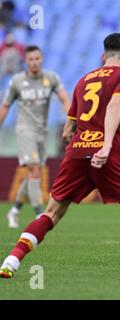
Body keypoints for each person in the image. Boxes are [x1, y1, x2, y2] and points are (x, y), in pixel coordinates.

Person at [0, 33, 120, 279]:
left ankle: (11, 260)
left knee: (51, 214)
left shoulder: (83, 80)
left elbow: (68, 129)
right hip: (108, 153)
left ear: (104, 55)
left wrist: (77, 138)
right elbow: (115, 105)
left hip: (77, 152)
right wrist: (106, 144)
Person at [0, 45, 71, 228]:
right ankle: (40, 213)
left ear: (41, 59)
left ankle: (14, 210)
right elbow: (6, 106)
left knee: (35, 172)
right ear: (25, 61)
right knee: (33, 169)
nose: (34, 62)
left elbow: (64, 97)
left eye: (37, 58)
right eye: (30, 59)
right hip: (24, 130)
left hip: (42, 132)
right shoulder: (17, 81)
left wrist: (71, 120)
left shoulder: (51, 78)